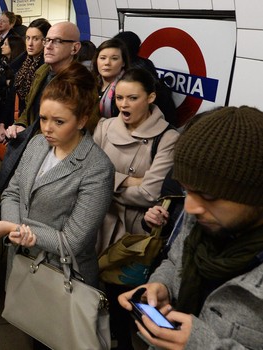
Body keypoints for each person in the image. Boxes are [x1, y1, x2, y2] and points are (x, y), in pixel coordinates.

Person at [118, 106, 263, 349]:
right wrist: (162, 286)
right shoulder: (202, 218)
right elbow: (176, 262)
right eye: (187, 190)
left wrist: (200, 345)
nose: (190, 207)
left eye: (207, 194)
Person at [0, 61, 113, 308]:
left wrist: (13, 228)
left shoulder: (97, 168)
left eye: (59, 122)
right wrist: (16, 230)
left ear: (82, 120)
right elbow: (12, 192)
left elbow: (72, 242)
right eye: (43, 118)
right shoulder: (37, 144)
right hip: (23, 263)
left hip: (63, 276)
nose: (47, 128)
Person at [93, 68, 180, 349]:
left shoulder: (167, 137)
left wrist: (108, 182)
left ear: (151, 97)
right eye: (119, 98)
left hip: (133, 234)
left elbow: (149, 194)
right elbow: (88, 175)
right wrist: (127, 180)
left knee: (128, 296)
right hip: (97, 221)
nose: (124, 105)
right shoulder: (105, 127)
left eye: (133, 98)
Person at [0, 21, 81, 193]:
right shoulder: (42, 71)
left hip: (54, 154)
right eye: (47, 40)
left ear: (75, 48)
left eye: (57, 41)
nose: (48, 46)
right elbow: (30, 109)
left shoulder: (79, 82)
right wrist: (21, 124)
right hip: (33, 144)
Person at [0, 35, 26, 139]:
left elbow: (11, 94)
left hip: (13, 112)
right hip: (0, 106)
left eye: (5, 44)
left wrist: (1, 80)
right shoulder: (2, 63)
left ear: (13, 48)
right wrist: (5, 81)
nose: (1, 47)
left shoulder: (21, 69)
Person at [93, 38, 131, 118]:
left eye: (114, 58)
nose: (107, 63)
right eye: (103, 58)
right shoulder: (90, 83)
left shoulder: (128, 88)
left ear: (123, 62)